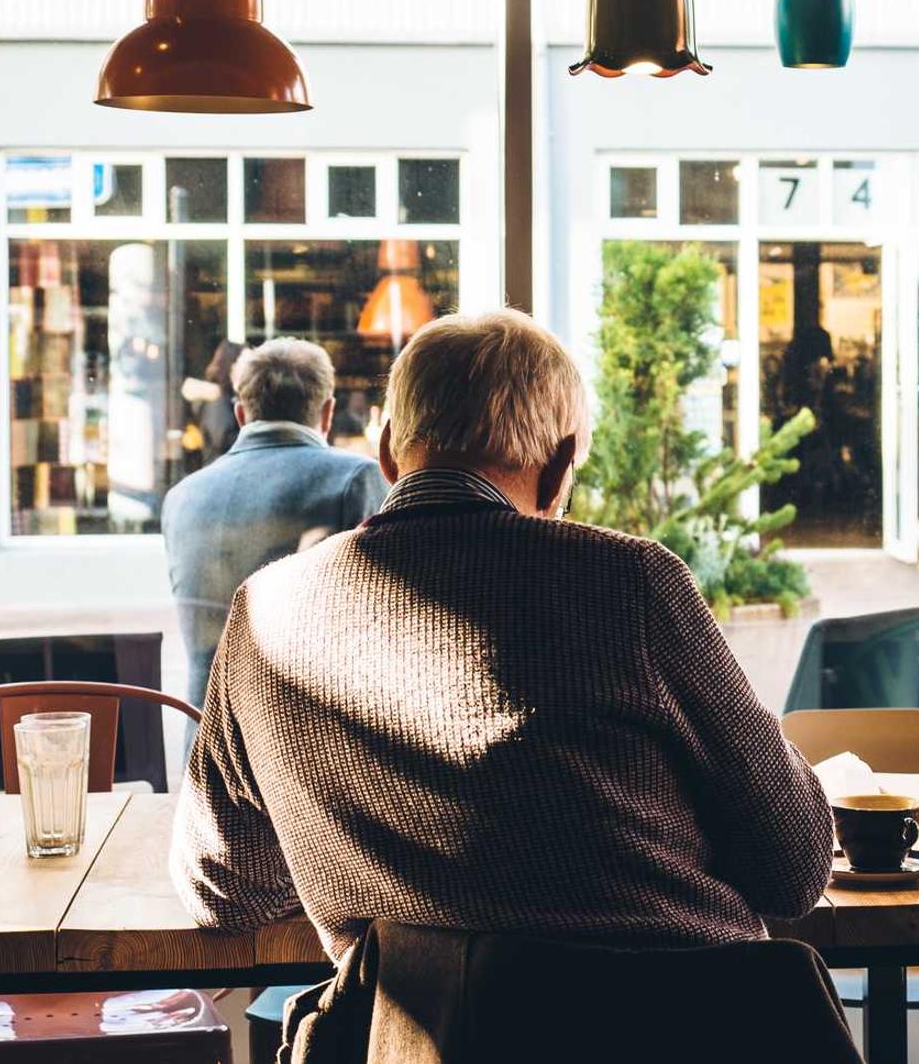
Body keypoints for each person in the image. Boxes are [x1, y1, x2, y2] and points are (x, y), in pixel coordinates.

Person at [171, 309, 832, 964]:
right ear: (560, 467)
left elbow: (223, 890)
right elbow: (794, 867)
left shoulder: (265, 611)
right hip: (685, 1015)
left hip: (419, 1022)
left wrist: (352, 850)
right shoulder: (630, 583)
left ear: (388, 451)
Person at [162, 337, 388, 721]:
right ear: (328, 412)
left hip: (204, 739)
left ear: (240, 414)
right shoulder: (354, 480)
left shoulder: (181, 497)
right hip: (307, 738)